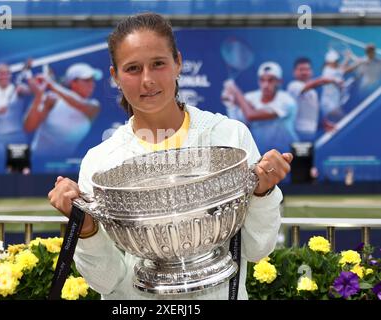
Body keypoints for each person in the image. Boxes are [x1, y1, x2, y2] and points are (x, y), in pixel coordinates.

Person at [48, 13, 293, 300]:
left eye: (158, 64)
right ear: (115, 76)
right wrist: (86, 229)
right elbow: (107, 282)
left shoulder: (229, 137)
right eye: (133, 69)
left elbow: (256, 249)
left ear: (178, 62)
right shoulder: (101, 161)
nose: (148, 80)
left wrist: (264, 193)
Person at [23, 63, 102, 157]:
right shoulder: (52, 99)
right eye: (87, 80)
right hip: (36, 162)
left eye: (92, 80)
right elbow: (29, 127)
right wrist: (38, 96)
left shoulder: (94, 106)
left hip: (64, 167)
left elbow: (79, 104)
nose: (92, 84)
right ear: (73, 83)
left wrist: (51, 84)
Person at [222, 61, 298, 154]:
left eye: (271, 80)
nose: (265, 85)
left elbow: (251, 116)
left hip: (288, 155)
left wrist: (236, 91)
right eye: (262, 80)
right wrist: (231, 105)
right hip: (260, 156)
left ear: (279, 82)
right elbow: (240, 126)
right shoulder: (249, 98)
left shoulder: (286, 101)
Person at [287, 57, 340, 142]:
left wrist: (324, 124)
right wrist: (324, 79)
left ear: (311, 72)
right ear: (294, 72)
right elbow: (309, 86)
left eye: (307, 69)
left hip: (311, 134)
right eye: (301, 69)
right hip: (297, 134)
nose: (304, 72)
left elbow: (312, 113)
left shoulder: (313, 92)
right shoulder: (293, 86)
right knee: (300, 155)